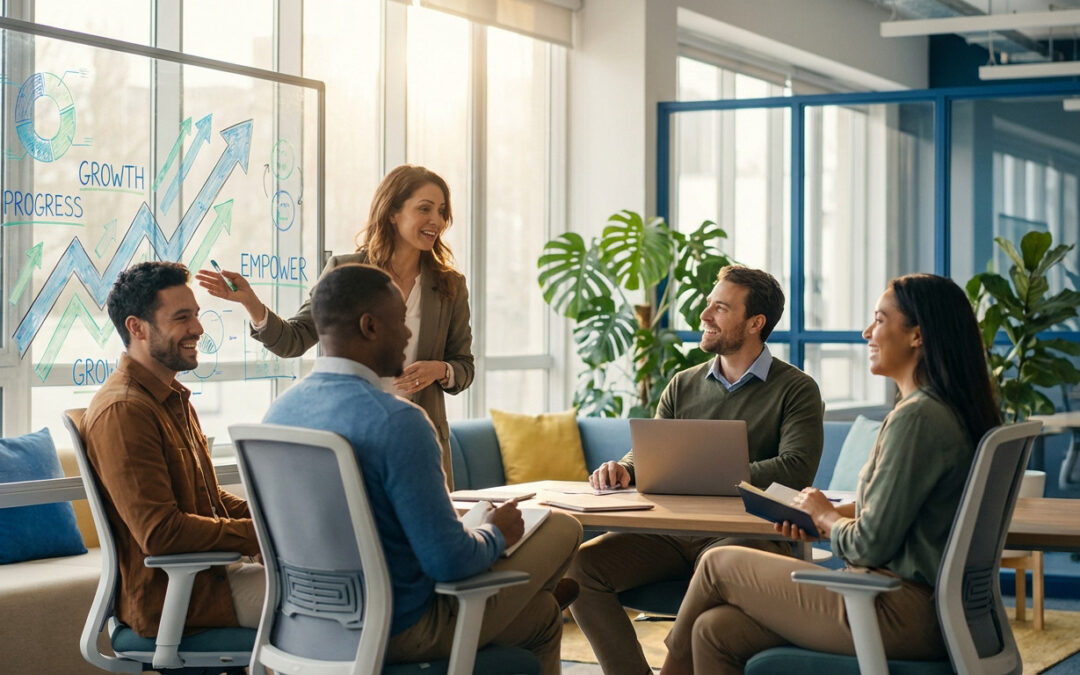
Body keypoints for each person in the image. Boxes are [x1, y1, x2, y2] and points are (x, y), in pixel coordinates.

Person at [658, 273, 1003, 674]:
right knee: (713, 630)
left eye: (879, 319)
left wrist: (824, 519)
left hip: (895, 608)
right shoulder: (945, 410)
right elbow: (904, 512)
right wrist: (824, 515)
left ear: (917, 336)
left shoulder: (918, 418)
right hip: (929, 608)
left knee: (719, 563)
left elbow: (869, 546)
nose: (866, 331)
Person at [262, 263, 581, 673]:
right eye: (401, 321)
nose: (409, 334)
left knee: (540, 617)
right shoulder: (398, 422)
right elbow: (449, 563)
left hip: (300, 629)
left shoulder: (279, 413)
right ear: (370, 326)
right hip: (400, 631)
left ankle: (536, 602)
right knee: (561, 526)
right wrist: (495, 533)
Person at [567, 264, 824, 675]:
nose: (704, 315)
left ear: (755, 322)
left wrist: (714, 475)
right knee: (579, 567)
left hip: (743, 535)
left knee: (718, 563)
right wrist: (624, 469)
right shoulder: (682, 384)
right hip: (668, 534)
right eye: (708, 304)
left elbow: (796, 468)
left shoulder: (796, 389)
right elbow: (651, 454)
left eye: (720, 308)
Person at [197, 165, 473, 489]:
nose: (437, 221)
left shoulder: (449, 285)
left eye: (442, 211)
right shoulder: (345, 269)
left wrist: (440, 370)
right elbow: (294, 341)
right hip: (348, 437)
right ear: (393, 213)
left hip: (414, 443)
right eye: (424, 208)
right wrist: (251, 303)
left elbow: (464, 366)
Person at [80, 262, 264, 638]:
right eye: (182, 318)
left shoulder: (169, 398)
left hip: (210, 581)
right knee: (343, 603)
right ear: (137, 328)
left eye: (195, 315)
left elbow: (208, 501)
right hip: (183, 599)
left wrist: (275, 519)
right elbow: (161, 532)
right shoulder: (126, 410)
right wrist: (265, 535)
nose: (197, 328)